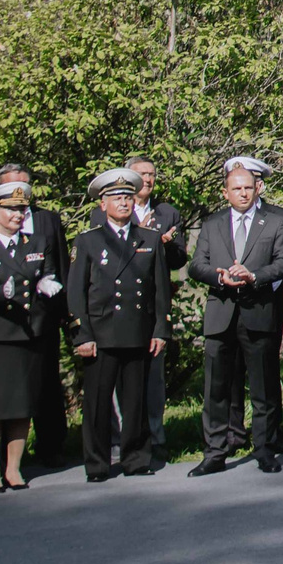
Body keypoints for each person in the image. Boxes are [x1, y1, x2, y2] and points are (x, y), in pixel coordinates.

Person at [189, 157, 283, 475]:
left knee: (263, 388)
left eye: (249, 187)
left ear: (257, 188)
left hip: (259, 312)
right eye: (237, 189)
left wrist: (254, 276)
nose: (244, 194)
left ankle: (265, 449)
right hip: (221, 314)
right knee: (216, 389)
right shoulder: (212, 224)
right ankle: (215, 452)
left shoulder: (274, 222)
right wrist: (219, 277)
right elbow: (197, 265)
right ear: (225, 192)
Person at [0, 179, 64, 492]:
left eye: (23, 208)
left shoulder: (35, 242)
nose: (19, 214)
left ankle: (13, 468)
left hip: (26, 332)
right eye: (13, 209)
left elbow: (46, 272)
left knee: (22, 405)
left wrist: (47, 284)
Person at [66, 168, 170, 482]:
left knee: (136, 400)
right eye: (116, 198)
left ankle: (136, 459)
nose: (123, 203)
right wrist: (81, 333)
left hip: (137, 331)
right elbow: (76, 292)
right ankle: (97, 464)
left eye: (127, 197)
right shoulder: (88, 241)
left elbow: (160, 289)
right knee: (98, 404)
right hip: (101, 333)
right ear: (102, 204)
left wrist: (161, 330)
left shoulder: (149, 239)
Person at [125, 155, 188, 462]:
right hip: (119, 307)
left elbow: (179, 259)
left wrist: (161, 244)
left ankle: (155, 435)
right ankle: (121, 438)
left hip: (153, 305)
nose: (147, 180)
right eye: (141, 174)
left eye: (151, 175)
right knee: (122, 375)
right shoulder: (110, 210)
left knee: (153, 376)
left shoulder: (167, 213)